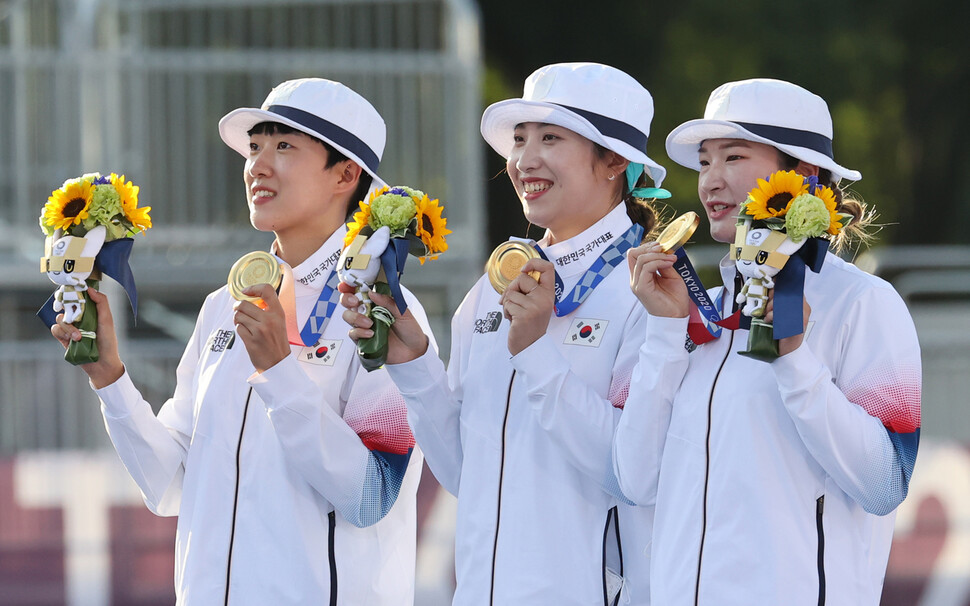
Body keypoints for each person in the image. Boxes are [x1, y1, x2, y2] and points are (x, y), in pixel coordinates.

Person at [50, 78, 432, 605]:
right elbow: (171, 486)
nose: (258, 165)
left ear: (346, 174)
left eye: (284, 147)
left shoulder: (383, 311)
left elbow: (370, 495)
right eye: (254, 148)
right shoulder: (221, 306)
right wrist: (110, 379)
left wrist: (280, 372)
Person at [340, 62, 669, 605]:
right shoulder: (492, 289)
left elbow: (631, 473)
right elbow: (468, 473)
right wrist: (413, 363)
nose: (524, 160)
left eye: (551, 138)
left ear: (614, 160)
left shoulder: (652, 293)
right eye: (520, 140)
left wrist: (538, 352)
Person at [613, 78, 921, 605]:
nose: (710, 181)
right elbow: (636, 481)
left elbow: (884, 484)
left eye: (733, 157)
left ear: (801, 174)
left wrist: (794, 360)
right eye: (705, 162)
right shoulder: (687, 309)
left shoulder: (863, 302)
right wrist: (664, 333)